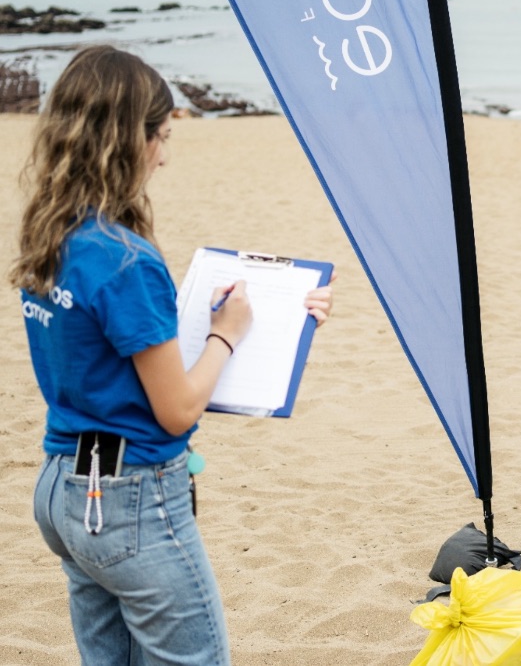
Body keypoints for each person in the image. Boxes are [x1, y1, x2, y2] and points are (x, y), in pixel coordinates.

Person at [9, 45, 333, 665]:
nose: (165, 153)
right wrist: (227, 333)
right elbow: (178, 410)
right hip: (130, 498)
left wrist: (278, 313)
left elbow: (107, 348)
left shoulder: (53, 231)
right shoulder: (126, 259)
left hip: (64, 486)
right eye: (160, 135)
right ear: (127, 140)